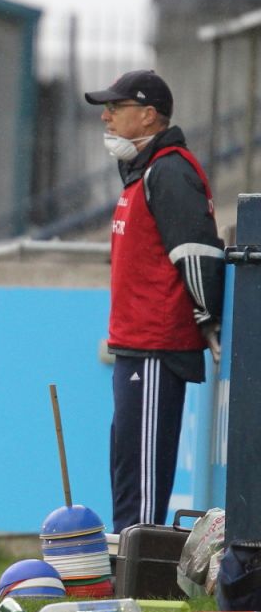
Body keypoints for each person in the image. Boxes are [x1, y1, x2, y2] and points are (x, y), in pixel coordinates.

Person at [83, 70, 225, 532]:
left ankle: (140, 576)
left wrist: (208, 319)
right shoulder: (145, 171)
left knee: (143, 473)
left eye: (115, 108)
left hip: (157, 346)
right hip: (134, 344)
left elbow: (198, 249)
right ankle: (131, 561)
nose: (105, 117)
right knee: (128, 464)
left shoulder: (170, 170)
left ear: (148, 116)